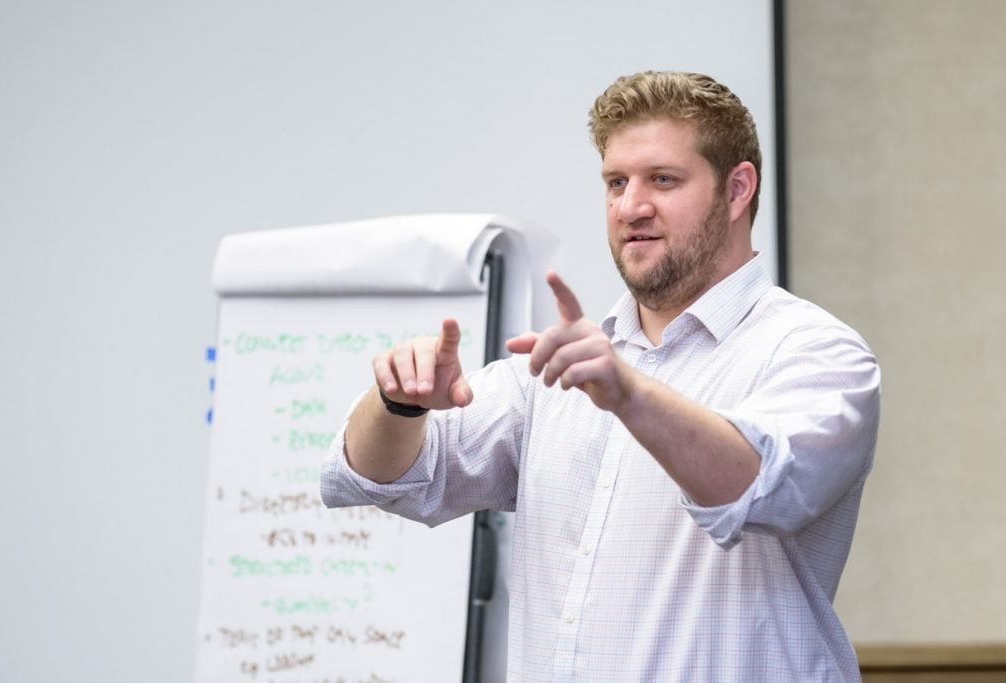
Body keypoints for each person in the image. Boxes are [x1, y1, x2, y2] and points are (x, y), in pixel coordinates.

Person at [321, 70, 880, 681]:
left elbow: (757, 489)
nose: (630, 207)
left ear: (737, 188)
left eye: (663, 180)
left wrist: (629, 394)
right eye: (616, 183)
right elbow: (383, 478)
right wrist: (398, 404)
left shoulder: (817, 353)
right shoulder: (556, 371)